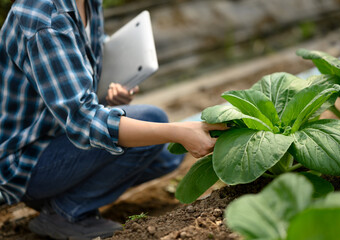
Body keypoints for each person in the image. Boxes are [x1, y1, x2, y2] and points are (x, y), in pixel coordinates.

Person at [0, 0, 227, 239]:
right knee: (155, 121)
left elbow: (87, 51)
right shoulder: (43, 18)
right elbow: (84, 121)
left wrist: (114, 85)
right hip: (24, 162)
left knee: (165, 157)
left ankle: (59, 197)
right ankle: (65, 212)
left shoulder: (87, 3)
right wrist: (176, 130)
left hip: (57, 137)